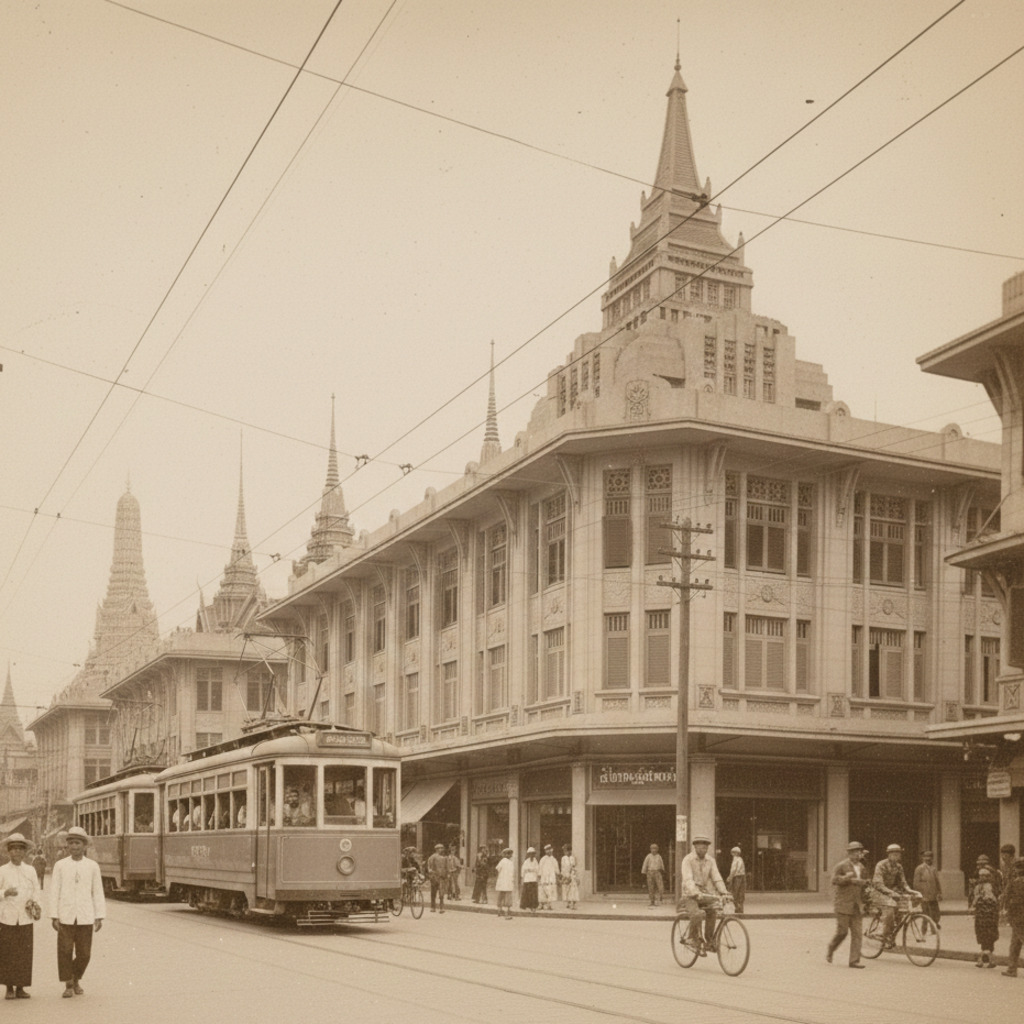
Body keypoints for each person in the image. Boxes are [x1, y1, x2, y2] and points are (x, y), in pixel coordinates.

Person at [49, 825, 105, 999]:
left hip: (85, 916)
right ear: (67, 846)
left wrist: (99, 916)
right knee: (65, 951)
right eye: (71, 843)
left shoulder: (92, 866)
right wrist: (54, 915)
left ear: (85, 845)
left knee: (84, 954)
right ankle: (68, 983)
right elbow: (54, 891)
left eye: (78, 843)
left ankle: (75, 977)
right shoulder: (60, 865)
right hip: (65, 915)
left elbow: (97, 891)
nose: (74, 846)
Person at [0, 833, 40, 999]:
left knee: (24, 953)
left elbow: (36, 890)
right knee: (8, 952)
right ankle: (9, 987)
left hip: (25, 917)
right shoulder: (2, 870)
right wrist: (4, 892)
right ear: (8, 852)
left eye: (20, 849)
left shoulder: (30, 870)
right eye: (13, 849)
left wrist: (35, 904)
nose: (16, 852)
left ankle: (21, 987)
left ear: (25, 852)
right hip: (7, 917)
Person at [679, 834, 729, 952]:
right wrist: (694, 892)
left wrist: (724, 892)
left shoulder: (711, 860)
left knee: (712, 912)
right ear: (695, 847)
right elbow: (688, 879)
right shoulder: (688, 859)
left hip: (704, 893)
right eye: (700, 847)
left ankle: (709, 941)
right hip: (689, 894)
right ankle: (692, 938)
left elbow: (716, 877)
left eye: (705, 848)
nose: (703, 850)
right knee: (697, 914)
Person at [826, 840, 870, 969]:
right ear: (849, 853)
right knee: (842, 932)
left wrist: (864, 883)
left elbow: (866, 882)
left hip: (857, 905)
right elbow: (833, 880)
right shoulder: (841, 866)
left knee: (857, 934)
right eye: (854, 852)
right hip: (843, 904)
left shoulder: (862, 867)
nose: (857, 854)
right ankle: (831, 948)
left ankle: (854, 961)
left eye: (859, 852)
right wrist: (848, 879)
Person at [871, 844, 918, 948]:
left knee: (901, 911)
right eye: (895, 854)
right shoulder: (881, 865)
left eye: (898, 854)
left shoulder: (899, 866)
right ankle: (880, 932)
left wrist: (910, 890)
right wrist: (891, 893)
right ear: (889, 855)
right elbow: (878, 883)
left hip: (892, 892)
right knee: (890, 908)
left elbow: (903, 882)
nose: (897, 857)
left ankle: (891, 936)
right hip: (878, 892)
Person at [971, 866, 1000, 968]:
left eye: (985, 876)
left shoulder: (991, 887)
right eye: (981, 876)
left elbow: (994, 900)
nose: (983, 877)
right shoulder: (977, 887)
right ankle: (985, 959)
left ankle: (987, 959)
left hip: (989, 914)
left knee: (989, 936)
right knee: (983, 936)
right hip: (980, 914)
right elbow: (974, 899)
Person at [1001, 857, 1024, 977]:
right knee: (1015, 943)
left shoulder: (1015, 883)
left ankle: (1011, 969)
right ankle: (1011, 969)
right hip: (1019, 918)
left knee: (1016, 943)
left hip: (1018, 918)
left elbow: (1006, 897)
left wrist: (1006, 913)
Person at [913, 850, 942, 926]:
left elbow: (937, 882)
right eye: (926, 857)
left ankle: (934, 926)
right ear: (923, 858)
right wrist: (918, 895)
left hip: (933, 895)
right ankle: (924, 930)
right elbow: (916, 883)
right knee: (925, 914)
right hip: (924, 895)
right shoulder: (919, 869)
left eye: (930, 857)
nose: (928, 859)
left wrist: (939, 893)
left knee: (935, 912)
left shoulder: (934, 869)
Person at [426, 843, 449, 913]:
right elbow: (429, 866)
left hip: (442, 877)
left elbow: (446, 867)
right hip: (434, 877)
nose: (442, 850)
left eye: (442, 848)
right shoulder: (432, 857)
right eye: (440, 848)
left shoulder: (445, 858)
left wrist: (447, 874)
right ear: (436, 849)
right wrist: (430, 872)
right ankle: (433, 907)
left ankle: (441, 908)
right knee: (433, 892)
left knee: (441, 893)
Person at [495, 848, 516, 920]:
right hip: (508, 881)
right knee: (507, 897)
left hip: (502, 881)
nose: (510, 855)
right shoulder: (510, 863)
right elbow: (512, 873)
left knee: (501, 896)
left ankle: (499, 911)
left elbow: (498, 869)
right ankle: (506, 913)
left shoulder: (502, 861)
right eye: (509, 854)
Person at [726, 845, 746, 914]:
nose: (732, 854)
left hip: (736, 877)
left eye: (733, 853)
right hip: (742, 877)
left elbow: (734, 870)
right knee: (741, 893)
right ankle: (740, 908)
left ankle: (737, 908)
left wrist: (729, 878)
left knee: (735, 893)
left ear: (735, 853)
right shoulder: (741, 859)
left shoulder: (735, 859)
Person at [538, 844, 559, 910]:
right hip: (544, 877)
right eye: (547, 850)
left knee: (550, 891)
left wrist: (558, 875)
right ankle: (541, 904)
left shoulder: (554, 860)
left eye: (550, 850)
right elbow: (540, 868)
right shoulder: (543, 859)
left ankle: (549, 904)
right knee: (542, 891)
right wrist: (539, 877)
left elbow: (556, 869)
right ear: (545, 851)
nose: (549, 852)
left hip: (551, 878)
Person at [520, 847, 540, 915]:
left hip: (533, 879)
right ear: (528, 855)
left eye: (533, 854)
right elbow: (523, 870)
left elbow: (538, 870)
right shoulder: (526, 861)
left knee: (533, 894)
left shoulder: (535, 861)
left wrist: (537, 877)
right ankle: (527, 906)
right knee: (527, 893)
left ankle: (533, 907)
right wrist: (522, 877)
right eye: (530, 854)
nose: (531, 855)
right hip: (527, 879)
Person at [560, 844, 579, 910]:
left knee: (573, 890)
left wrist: (574, 875)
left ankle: (573, 904)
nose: (567, 852)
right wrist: (564, 876)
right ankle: (568, 903)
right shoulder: (563, 858)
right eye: (565, 851)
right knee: (566, 889)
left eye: (567, 851)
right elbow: (563, 868)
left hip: (572, 875)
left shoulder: (573, 858)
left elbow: (574, 867)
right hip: (566, 875)